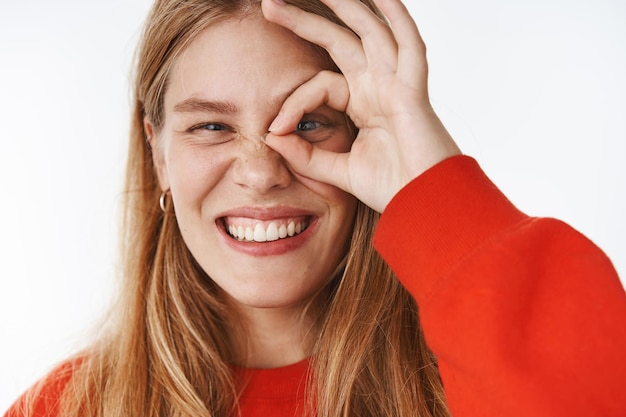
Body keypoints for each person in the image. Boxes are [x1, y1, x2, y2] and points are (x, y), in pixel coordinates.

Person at [4, 0, 626, 416]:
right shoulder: (64, 407)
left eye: (310, 121)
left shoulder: (463, 382)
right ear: (158, 155)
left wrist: (431, 182)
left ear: (364, 137)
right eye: (213, 127)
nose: (261, 172)